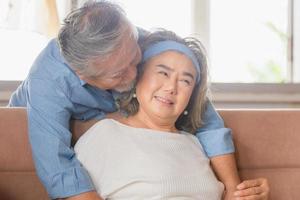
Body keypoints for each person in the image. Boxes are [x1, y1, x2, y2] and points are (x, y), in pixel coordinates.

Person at [8, 1, 240, 199]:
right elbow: (59, 170)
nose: (134, 76)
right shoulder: (49, 84)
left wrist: (234, 190)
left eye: (135, 60)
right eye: (119, 74)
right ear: (85, 77)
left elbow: (204, 115)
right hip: (25, 135)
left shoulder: (134, 38)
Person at [74, 29, 269, 200]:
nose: (171, 87)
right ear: (137, 78)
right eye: (163, 73)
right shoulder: (105, 136)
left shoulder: (196, 145)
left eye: (185, 81)